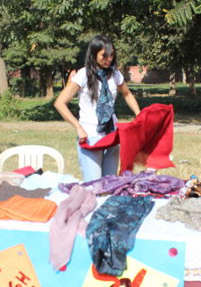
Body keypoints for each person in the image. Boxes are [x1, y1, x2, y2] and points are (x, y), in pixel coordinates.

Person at [54, 35, 141, 181]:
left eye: (111, 55)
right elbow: (60, 103)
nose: (109, 59)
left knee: (110, 184)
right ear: (94, 54)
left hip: (112, 135)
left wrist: (139, 115)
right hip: (90, 136)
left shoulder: (115, 74)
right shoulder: (83, 75)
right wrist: (78, 127)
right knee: (94, 185)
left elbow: (127, 94)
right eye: (104, 55)